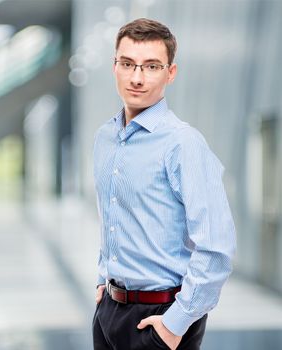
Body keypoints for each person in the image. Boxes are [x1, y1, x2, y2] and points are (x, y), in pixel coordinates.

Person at [91, 18, 236, 350]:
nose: (137, 77)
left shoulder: (184, 144)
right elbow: (113, 218)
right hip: (109, 311)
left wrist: (175, 323)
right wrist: (104, 281)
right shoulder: (104, 139)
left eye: (151, 66)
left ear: (170, 73)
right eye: (128, 64)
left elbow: (216, 247)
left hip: (161, 316)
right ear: (115, 66)